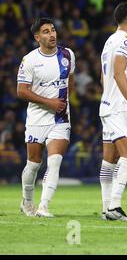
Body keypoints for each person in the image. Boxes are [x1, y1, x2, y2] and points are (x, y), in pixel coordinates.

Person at [17, 17, 76, 217]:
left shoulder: (68, 55)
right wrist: (49, 102)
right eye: (46, 31)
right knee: (33, 164)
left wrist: (63, 104)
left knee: (55, 161)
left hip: (60, 119)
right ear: (37, 37)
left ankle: (43, 206)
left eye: (52, 30)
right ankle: (27, 201)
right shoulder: (29, 60)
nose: (52, 34)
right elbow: (22, 91)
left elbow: (70, 81)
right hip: (36, 118)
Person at [99, 1, 127, 222]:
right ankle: (115, 206)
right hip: (119, 107)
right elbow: (118, 73)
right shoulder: (126, 41)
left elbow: (103, 77)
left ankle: (107, 207)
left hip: (107, 105)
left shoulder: (109, 41)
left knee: (110, 158)